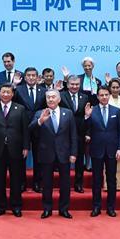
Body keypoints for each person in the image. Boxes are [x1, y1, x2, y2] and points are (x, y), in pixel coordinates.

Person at [0, 84, 30, 217]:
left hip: (16, 148)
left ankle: (16, 206)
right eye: (3, 92)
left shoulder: (20, 108)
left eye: (8, 92)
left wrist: (26, 147)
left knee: (16, 179)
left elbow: (25, 130)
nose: (5, 94)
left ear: (12, 94)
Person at [30, 89, 76, 219]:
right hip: (46, 153)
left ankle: (64, 209)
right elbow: (30, 129)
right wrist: (40, 121)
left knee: (65, 184)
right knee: (47, 183)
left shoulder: (68, 113)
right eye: (48, 97)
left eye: (53, 97)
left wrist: (73, 153)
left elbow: (73, 135)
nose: (51, 99)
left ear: (59, 99)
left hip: (64, 153)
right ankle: (47, 209)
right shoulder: (40, 113)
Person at [84, 86, 120, 217]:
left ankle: (111, 207)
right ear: (97, 96)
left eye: (106, 95)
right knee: (96, 180)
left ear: (109, 95)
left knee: (111, 179)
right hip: (96, 150)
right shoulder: (92, 111)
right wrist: (86, 117)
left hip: (112, 150)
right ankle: (96, 207)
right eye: (101, 95)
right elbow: (85, 129)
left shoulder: (116, 111)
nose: (104, 97)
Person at [15, 67, 47, 192]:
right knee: (21, 157)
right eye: (29, 75)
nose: (31, 77)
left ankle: (37, 183)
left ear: (37, 77)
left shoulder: (43, 91)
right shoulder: (18, 90)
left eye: (34, 75)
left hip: (39, 128)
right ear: (25, 77)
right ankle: (22, 182)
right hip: (21, 128)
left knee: (39, 158)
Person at [59, 75, 89, 193]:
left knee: (79, 160)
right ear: (67, 84)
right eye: (72, 84)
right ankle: (64, 184)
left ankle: (78, 184)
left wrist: (87, 132)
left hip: (80, 133)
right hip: (63, 133)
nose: (74, 86)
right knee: (63, 160)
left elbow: (87, 116)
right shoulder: (61, 96)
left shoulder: (85, 97)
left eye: (77, 84)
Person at [105, 78, 120, 191]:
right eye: (113, 87)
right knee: (108, 159)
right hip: (108, 133)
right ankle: (107, 185)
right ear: (110, 88)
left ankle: (119, 185)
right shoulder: (106, 99)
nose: (115, 89)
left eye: (117, 87)